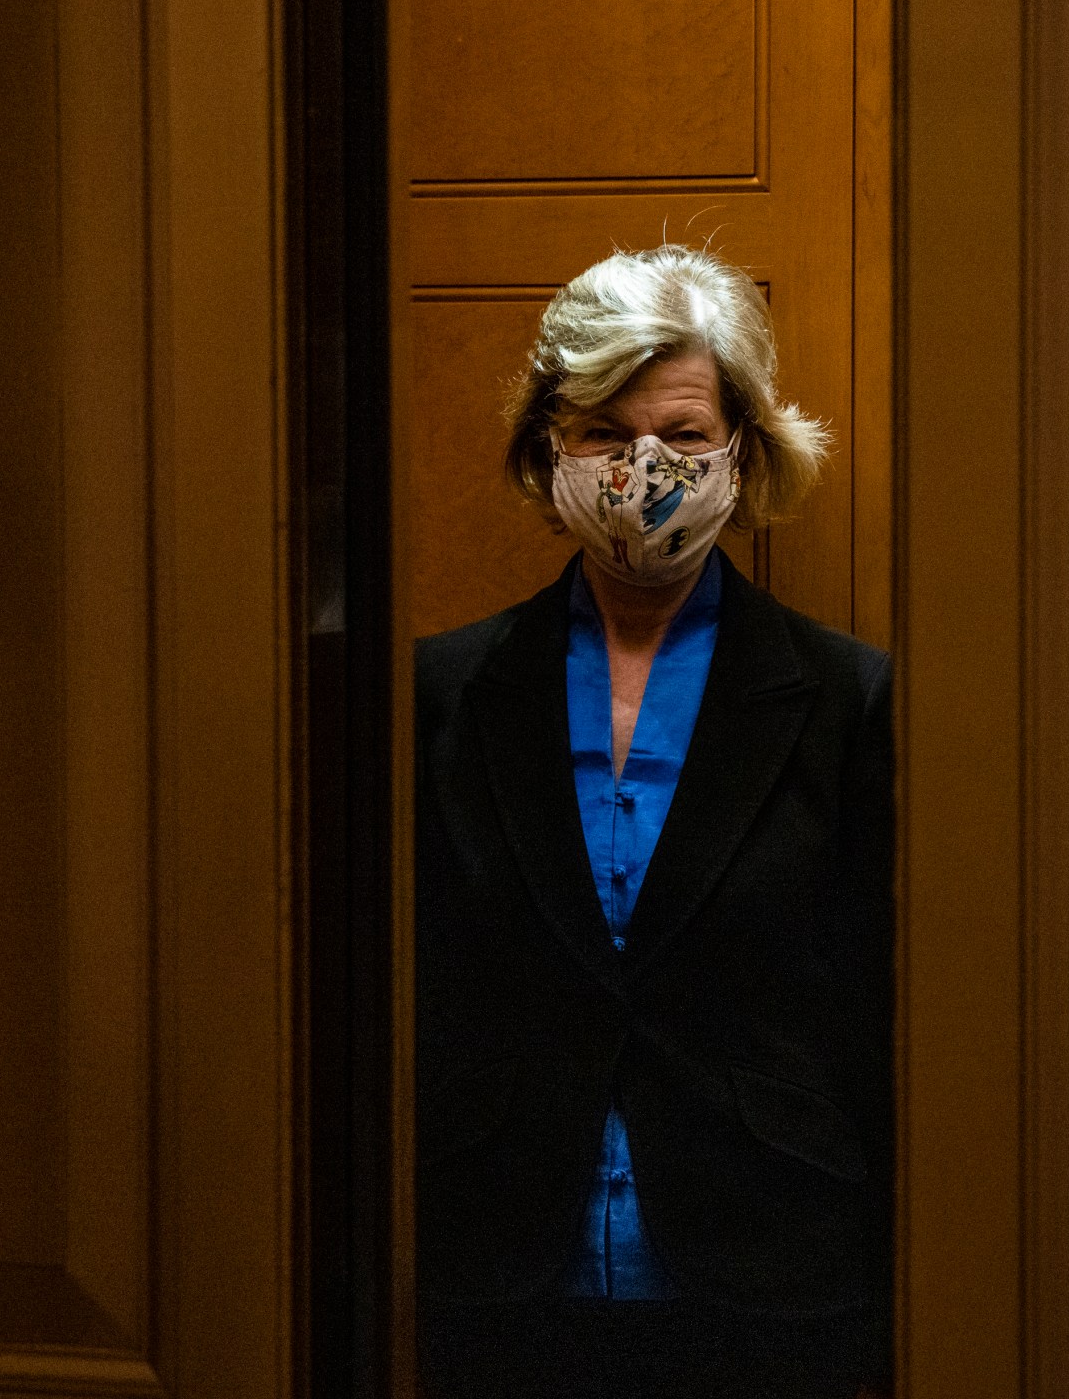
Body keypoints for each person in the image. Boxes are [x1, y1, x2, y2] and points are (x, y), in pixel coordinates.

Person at [414, 245, 894, 1399]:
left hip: (770, 1278)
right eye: (601, 433)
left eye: (681, 435)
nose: (643, 469)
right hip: (503, 1274)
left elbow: (875, 1005)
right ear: (549, 447)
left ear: (743, 448)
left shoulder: (848, 699)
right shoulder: (443, 691)